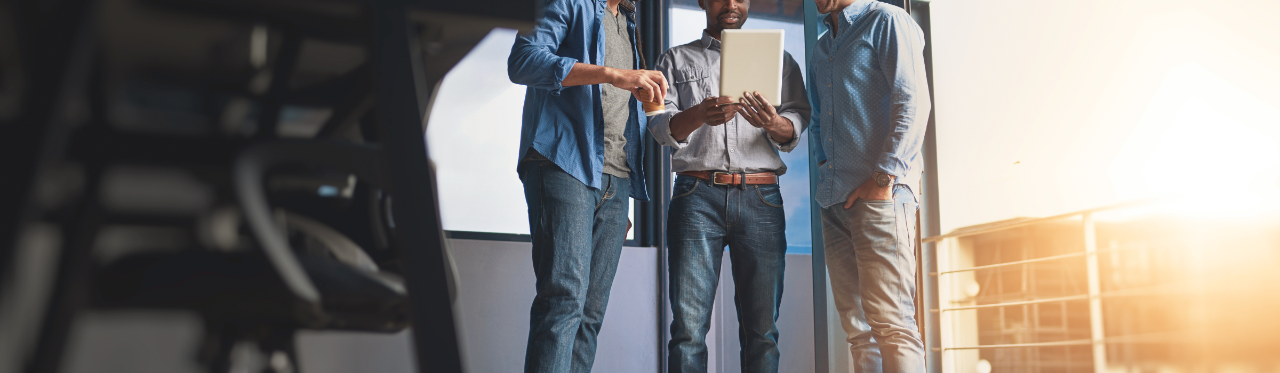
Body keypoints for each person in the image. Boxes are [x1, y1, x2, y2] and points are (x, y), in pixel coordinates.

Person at [647, 0, 810, 370]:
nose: (731, 4)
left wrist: (774, 124)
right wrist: (698, 115)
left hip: (762, 197)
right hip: (695, 197)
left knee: (762, 332)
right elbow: (659, 127)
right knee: (688, 331)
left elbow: (797, 120)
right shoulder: (674, 60)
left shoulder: (780, 60)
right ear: (704, 1)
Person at [507, 0, 667, 371]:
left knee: (590, 314)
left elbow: (619, 106)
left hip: (616, 178)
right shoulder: (568, 3)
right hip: (564, 163)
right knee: (563, 300)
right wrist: (613, 74)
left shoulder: (627, 20)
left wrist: (614, 193)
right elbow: (523, 61)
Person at [807, 0, 930, 371]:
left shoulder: (887, 21)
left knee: (892, 324)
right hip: (834, 198)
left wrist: (883, 179)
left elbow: (913, 102)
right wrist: (825, 166)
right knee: (859, 334)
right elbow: (817, 119)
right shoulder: (823, 45)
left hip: (882, 197)